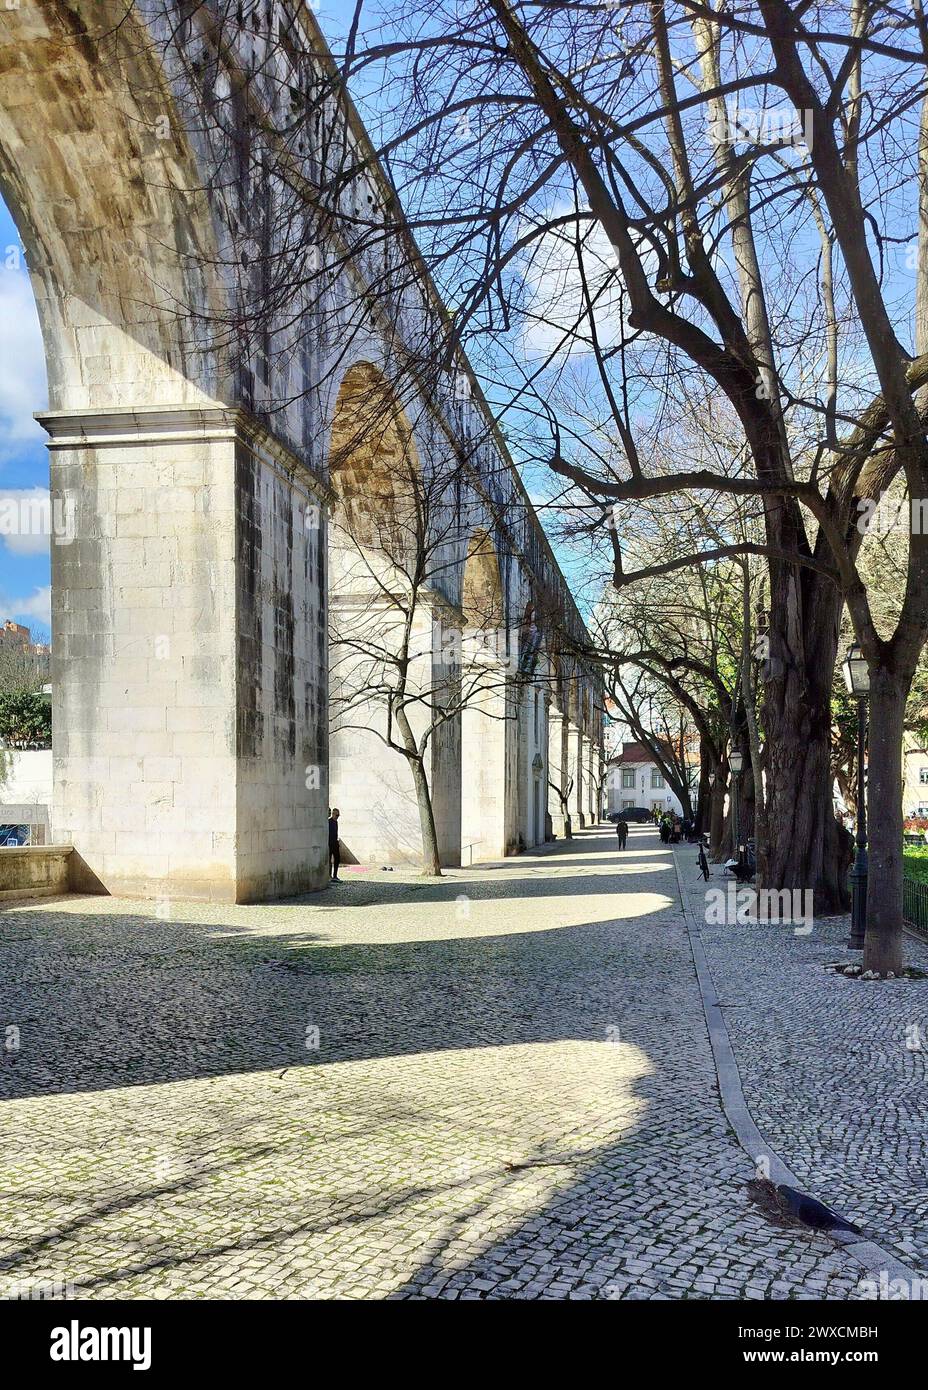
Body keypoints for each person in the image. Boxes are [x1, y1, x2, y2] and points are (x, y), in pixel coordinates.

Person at [328, 807, 341, 882]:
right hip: (330, 844)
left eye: (338, 815)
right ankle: (329, 876)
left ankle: (335, 875)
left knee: (337, 859)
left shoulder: (336, 822)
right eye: (336, 815)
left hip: (335, 844)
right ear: (333, 814)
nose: (337, 817)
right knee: (329, 860)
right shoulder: (329, 822)